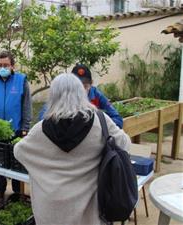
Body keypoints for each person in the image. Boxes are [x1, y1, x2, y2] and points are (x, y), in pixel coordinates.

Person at [14, 73, 130, 225]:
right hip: (90, 210)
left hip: (50, 210)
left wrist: (45, 166)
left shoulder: (40, 129)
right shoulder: (100, 121)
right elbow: (124, 144)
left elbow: (19, 151)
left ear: (53, 95)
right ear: (81, 93)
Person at [0, 51, 32, 203]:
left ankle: (17, 192)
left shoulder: (21, 80)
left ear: (12, 66)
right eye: (0, 65)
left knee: (17, 162)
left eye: (6, 65)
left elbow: (26, 105)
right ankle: (0, 192)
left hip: (16, 129)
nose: (3, 67)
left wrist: (25, 127)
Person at [38, 64, 123, 129]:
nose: (81, 90)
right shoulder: (62, 94)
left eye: (85, 86)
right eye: (78, 86)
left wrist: (97, 126)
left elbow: (117, 119)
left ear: (91, 83)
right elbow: (43, 120)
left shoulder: (96, 95)